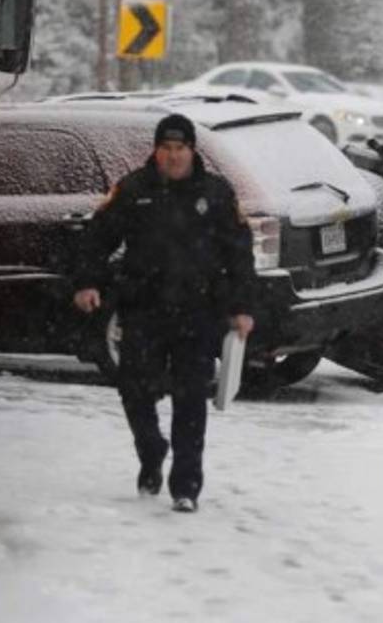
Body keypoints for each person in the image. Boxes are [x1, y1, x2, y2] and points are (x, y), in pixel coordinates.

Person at [72, 114, 255, 513]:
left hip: (198, 311)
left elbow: (239, 254)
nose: (173, 156)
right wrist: (88, 283)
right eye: (166, 148)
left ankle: (186, 485)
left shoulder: (217, 194)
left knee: (191, 399)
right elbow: (97, 237)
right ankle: (151, 450)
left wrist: (241, 308)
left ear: (192, 151)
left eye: (180, 148)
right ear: (155, 151)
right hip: (143, 308)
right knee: (134, 389)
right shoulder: (134, 189)